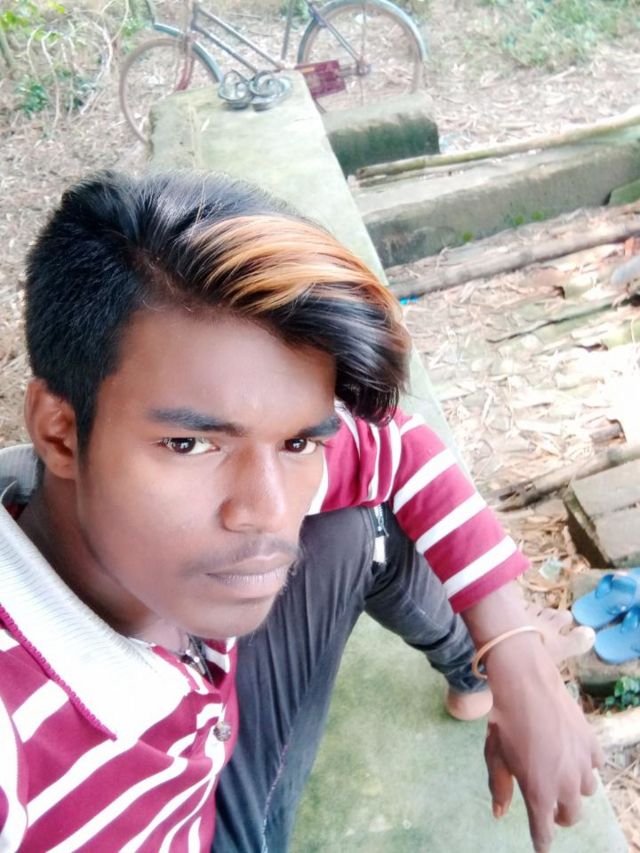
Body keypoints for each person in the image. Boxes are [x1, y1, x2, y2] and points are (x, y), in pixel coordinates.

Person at [0, 171, 601, 852]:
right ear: (59, 432)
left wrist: (516, 658)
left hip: (201, 757)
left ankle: (473, 671)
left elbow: (398, 446)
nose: (267, 510)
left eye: (299, 442)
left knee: (356, 527)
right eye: (190, 444)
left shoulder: (200, 493)